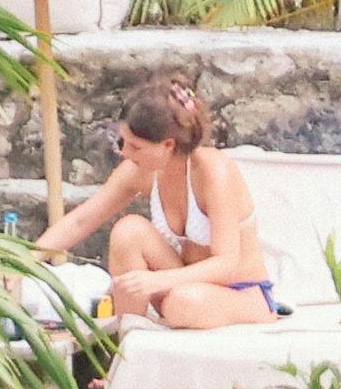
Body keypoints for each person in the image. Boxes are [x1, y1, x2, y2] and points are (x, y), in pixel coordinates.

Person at [36, 76, 274, 330]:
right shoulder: (139, 171)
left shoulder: (214, 172)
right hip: (181, 288)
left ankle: (155, 324)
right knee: (129, 231)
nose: (125, 153)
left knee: (183, 302)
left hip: (237, 294)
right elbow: (81, 220)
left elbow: (227, 263)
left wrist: (158, 281)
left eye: (136, 147)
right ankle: (127, 344)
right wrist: (22, 261)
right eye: (122, 143)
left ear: (168, 145)